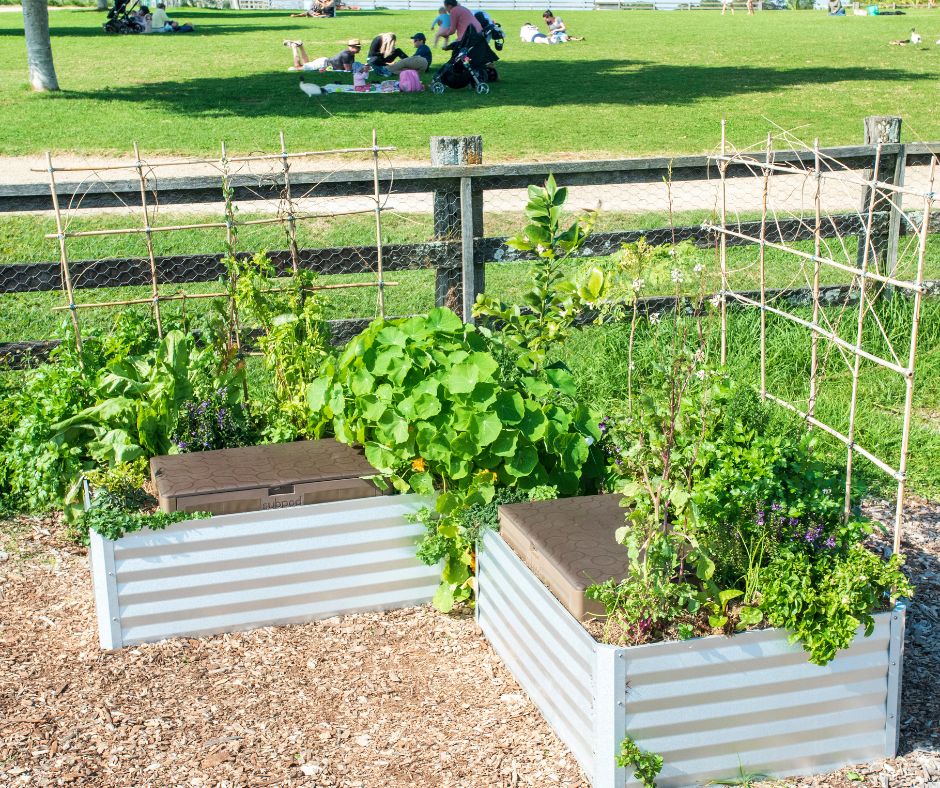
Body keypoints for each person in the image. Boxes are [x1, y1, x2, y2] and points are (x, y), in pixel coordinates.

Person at [284, 38, 362, 72]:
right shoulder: (347, 55)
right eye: (357, 47)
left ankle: (300, 46)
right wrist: (360, 69)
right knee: (298, 67)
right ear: (351, 47)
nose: (359, 49)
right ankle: (294, 47)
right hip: (322, 64)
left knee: (306, 65)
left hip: (324, 61)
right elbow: (348, 70)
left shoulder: (351, 54)